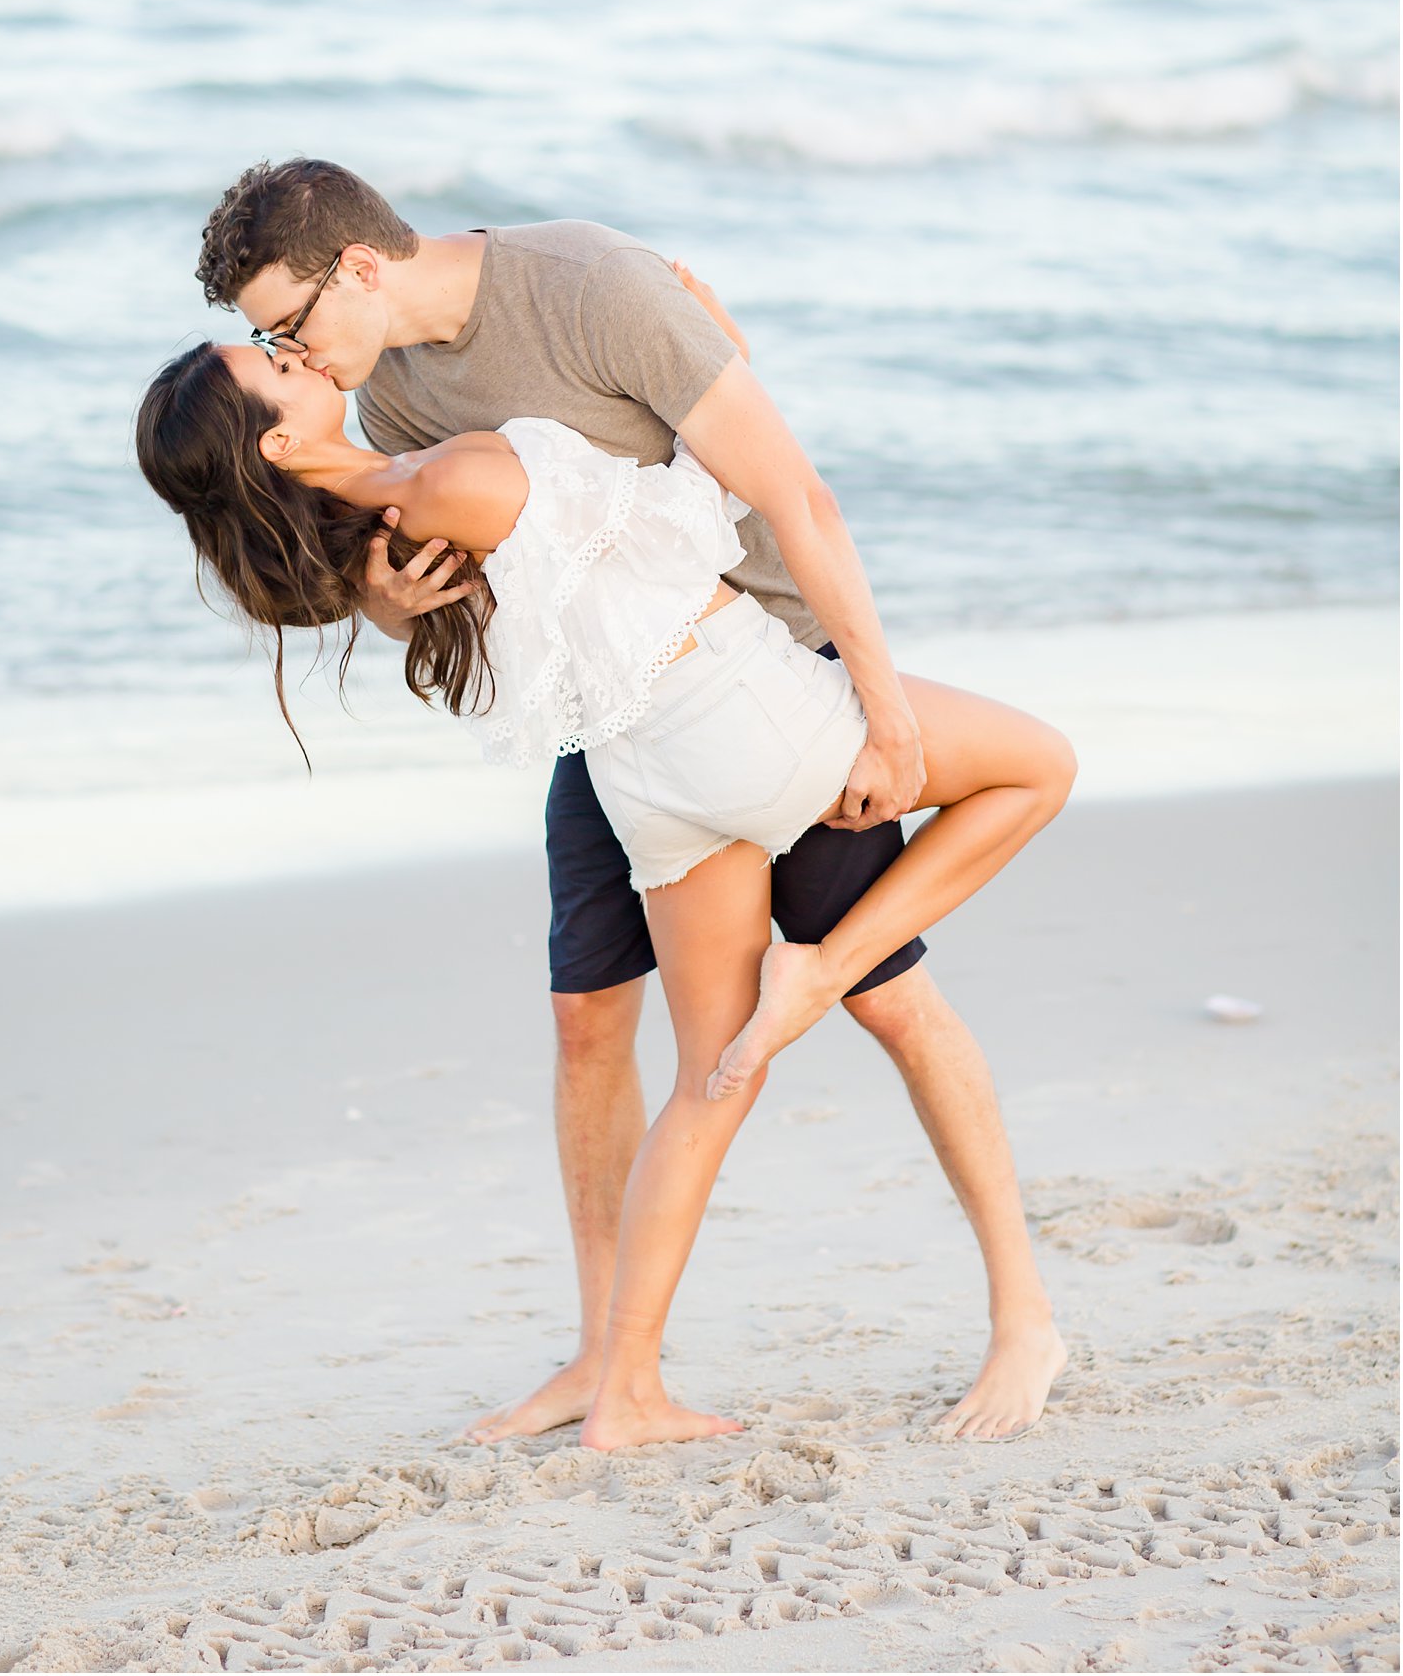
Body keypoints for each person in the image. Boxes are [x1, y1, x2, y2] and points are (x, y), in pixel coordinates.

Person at [182, 159, 1072, 1443]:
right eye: (273, 343)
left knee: (885, 1000)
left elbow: (794, 496)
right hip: (608, 715)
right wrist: (380, 606)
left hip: (763, 661)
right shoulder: (377, 392)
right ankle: (611, 1366)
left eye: (289, 328)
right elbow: (487, 574)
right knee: (592, 1022)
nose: (295, 354)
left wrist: (878, 702)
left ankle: (1022, 1319)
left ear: (360, 269)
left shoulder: (593, 288)